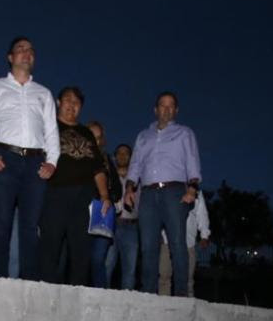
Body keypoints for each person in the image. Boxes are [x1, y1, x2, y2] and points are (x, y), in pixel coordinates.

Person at [0, 36, 59, 280]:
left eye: (30, 49)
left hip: (35, 162)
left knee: (30, 226)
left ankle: (28, 281)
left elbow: (52, 132)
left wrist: (52, 161)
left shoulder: (44, 93)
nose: (26, 52)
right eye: (20, 49)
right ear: (10, 57)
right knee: (1, 222)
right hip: (4, 158)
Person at [124, 92, 201, 296]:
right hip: (148, 194)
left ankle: (181, 294)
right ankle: (148, 293)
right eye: (162, 105)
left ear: (176, 110)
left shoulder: (184, 133)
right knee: (148, 246)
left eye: (171, 106)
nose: (166, 109)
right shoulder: (143, 136)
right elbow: (135, 164)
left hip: (174, 192)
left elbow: (192, 162)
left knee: (177, 243)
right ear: (155, 109)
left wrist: (192, 189)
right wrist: (129, 189)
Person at [39, 87, 109, 285]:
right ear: (58, 102)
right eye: (68, 100)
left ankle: (77, 293)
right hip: (55, 193)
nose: (72, 104)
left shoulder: (86, 132)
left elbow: (98, 167)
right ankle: (46, 290)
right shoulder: (47, 126)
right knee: (50, 246)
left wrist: (104, 195)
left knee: (81, 250)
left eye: (77, 102)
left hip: (84, 197)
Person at [85, 121, 125, 288]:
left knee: (98, 259)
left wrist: (107, 197)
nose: (95, 140)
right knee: (82, 259)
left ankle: (99, 294)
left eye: (98, 137)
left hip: (103, 211)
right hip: (81, 212)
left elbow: (117, 188)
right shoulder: (78, 158)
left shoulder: (107, 160)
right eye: (91, 136)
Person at [158, 188, 210, 296]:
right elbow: (159, 211)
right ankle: (163, 304)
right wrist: (159, 233)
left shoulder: (197, 191)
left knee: (188, 279)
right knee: (164, 277)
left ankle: (186, 304)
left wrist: (204, 235)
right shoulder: (168, 186)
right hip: (167, 241)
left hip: (188, 242)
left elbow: (202, 214)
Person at [110, 142, 138, 289]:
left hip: (131, 227)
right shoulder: (107, 176)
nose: (122, 155)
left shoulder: (138, 179)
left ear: (131, 157)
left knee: (130, 270)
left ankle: (127, 299)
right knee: (107, 265)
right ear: (114, 157)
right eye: (119, 153)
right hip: (111, 225)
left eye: (126, 153)